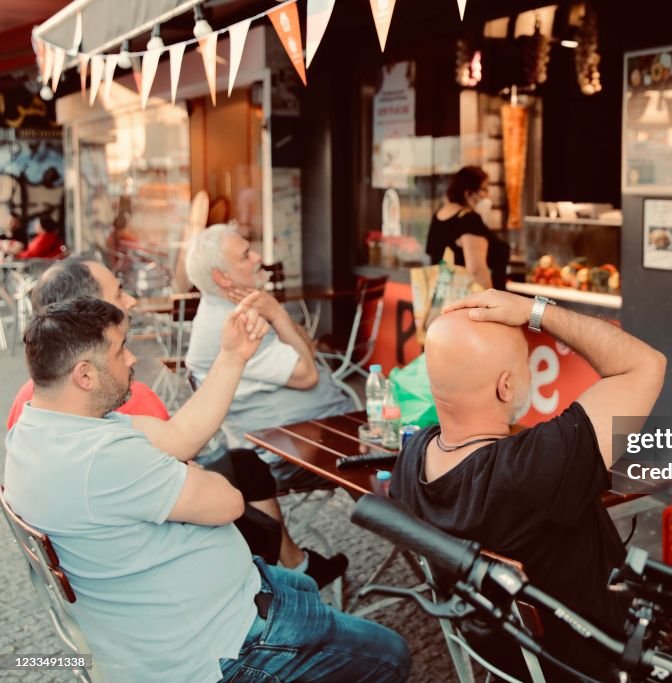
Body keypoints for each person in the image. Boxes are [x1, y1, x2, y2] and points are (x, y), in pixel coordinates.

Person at [5, 297, 410, 683]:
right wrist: (184, 471)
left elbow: (179, 437)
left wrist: (233, 356)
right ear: (85, 374)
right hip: (224, 647)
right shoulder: (101, 460)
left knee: (300, 585)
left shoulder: (36, 429)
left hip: (203, 608)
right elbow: (229, 502)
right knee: (391, 654)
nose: (131, 359)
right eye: (120, 349)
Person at [389, 289, 672, 681]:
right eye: (525, 364)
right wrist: (534, 310)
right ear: (505, 387)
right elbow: (644, 363)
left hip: (514, 661)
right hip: (614, 662)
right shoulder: (531, 468)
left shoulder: (412, 460)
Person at [5, 258, 347, 587]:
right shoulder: (117, 398)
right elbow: (209, 494)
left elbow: (178, 441)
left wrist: (232, 356)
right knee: (247, 474)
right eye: (117, 294)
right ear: (87, 313)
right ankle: (291, 576)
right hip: (156, 571)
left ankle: (296, 567)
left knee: (242, 464)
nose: (132, 301)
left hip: (91, 561)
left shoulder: (34, 406)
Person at [185, 224, 354, 491]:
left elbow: (306, 350)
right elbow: (308, 375)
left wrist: (276, 313)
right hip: (286, 451)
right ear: (222, 278)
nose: (257, 259)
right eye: (245, 255)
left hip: (312, 430)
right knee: (400, 453)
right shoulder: (233, 323)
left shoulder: (240, 306)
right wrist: (277, 314)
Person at [425, 166, 510, 291]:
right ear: (468, 193)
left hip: (445, 300)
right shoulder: (469, 220)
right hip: (472, 303)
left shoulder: (438, 216)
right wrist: (491, 303)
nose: (487, 195)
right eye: (483, 190)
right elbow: (477, 271)